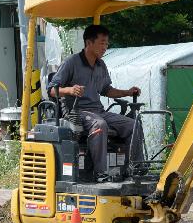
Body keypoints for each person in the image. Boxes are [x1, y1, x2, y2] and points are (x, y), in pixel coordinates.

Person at [47, 24, 141, 182]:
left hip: (98, 111)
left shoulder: (101, 65)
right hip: (76, 112)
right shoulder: (71, 62)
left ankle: (136, 169)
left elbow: (106, 90)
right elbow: (51, 90)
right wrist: (69, 90)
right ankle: (100, 173)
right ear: (89, 43)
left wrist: (127, 92)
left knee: (133, 124)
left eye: (107, 44)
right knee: (99, 124)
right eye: (102, 43)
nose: (105, 47)